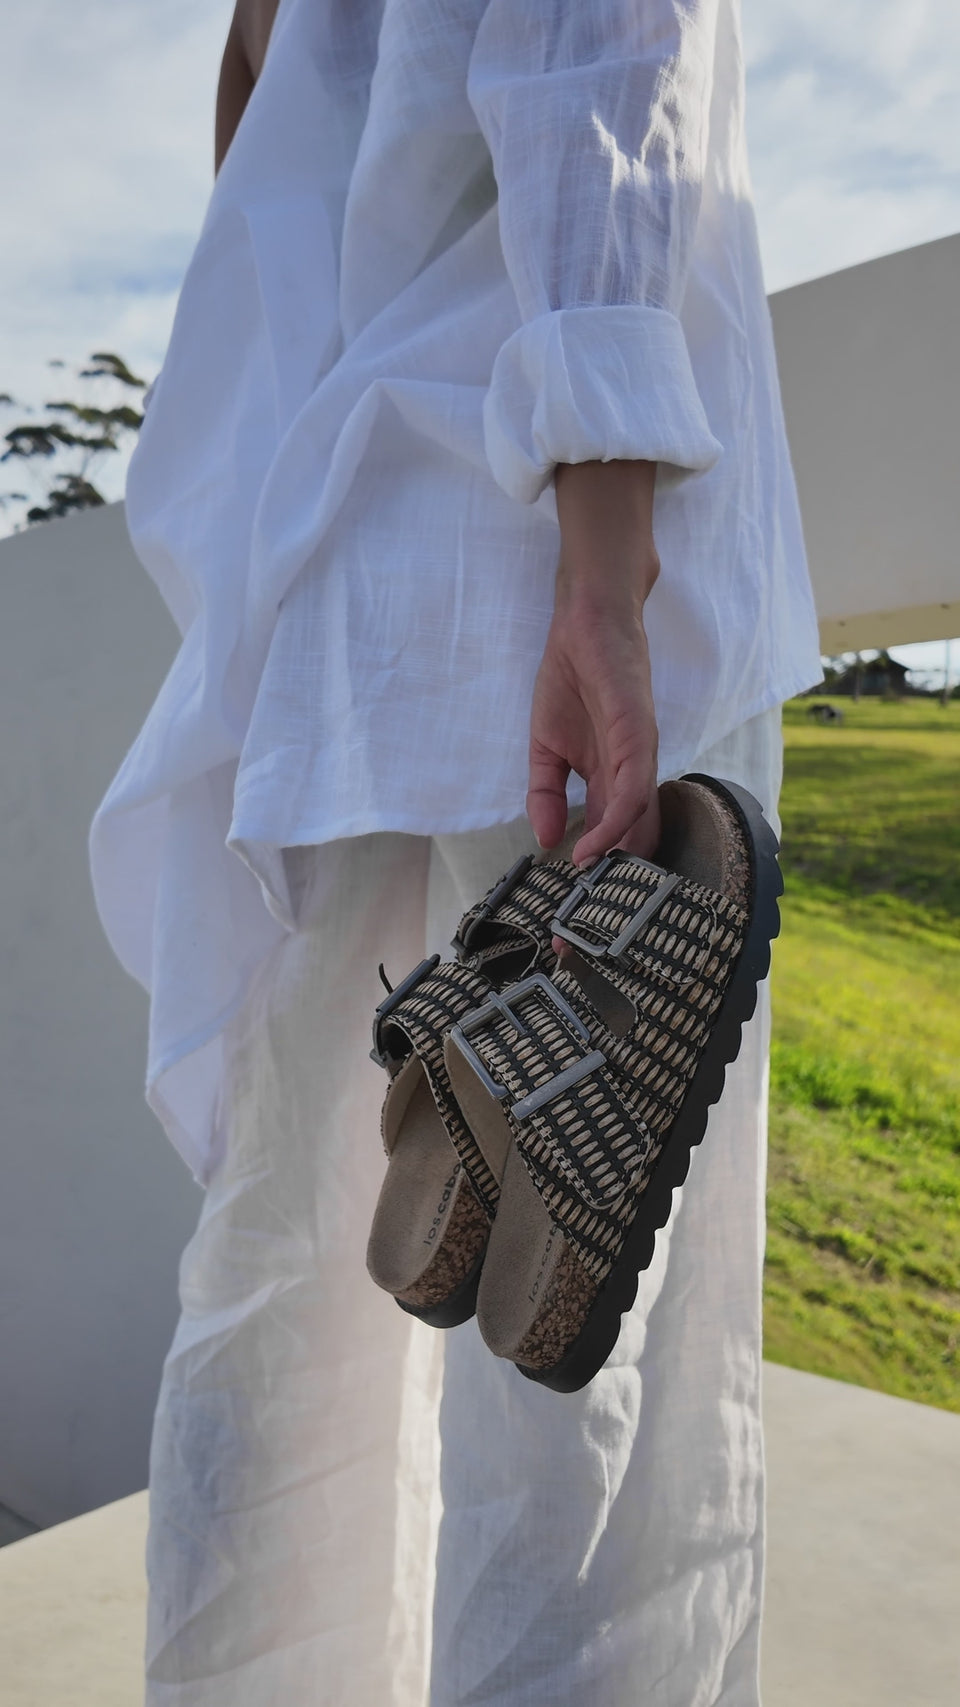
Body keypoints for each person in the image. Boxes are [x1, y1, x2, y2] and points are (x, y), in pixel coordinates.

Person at [90, 0, 822, 1701]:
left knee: (286, 1275)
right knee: (590, 1383)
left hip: (339, 582)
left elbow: (259, 123)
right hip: (562, 545)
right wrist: (604, 549)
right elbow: (601, 50)